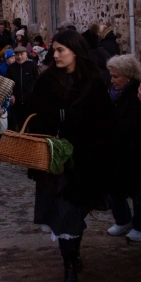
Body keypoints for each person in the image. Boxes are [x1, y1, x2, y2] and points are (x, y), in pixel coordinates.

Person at [28, 30, 115, 281]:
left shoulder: (93, 81)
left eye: (60, 50)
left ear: (74, 51)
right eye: (53, 50)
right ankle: (68, 264)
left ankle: (74, 252)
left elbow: (105, 120)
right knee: (63, 212)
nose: (54, 55)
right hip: (57, 161)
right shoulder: (46, 82)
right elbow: (35, 115)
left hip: (86, 161)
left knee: (77, 212)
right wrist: (54, 123)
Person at [103, 55, 141, 241]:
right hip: (114, 149)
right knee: (114, 188)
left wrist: (111, 123)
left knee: (137, 191)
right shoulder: (113, 92)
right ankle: (122, 220)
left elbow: (133, 124)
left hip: (133, 150)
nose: (112, 80)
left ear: (128, 76)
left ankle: (139, 226)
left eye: (116, 76)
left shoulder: (136, 94)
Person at [5, 46, 39, 130]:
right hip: (17, 102)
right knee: (20, 125)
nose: (19, 57)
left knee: (32, 125)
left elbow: (38, 82)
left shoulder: (32, 66)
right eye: (17, 54)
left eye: (21, 54)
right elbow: (7, 83)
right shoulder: (11, 68)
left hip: (30, 101)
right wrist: (11, 94)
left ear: (26, 54)